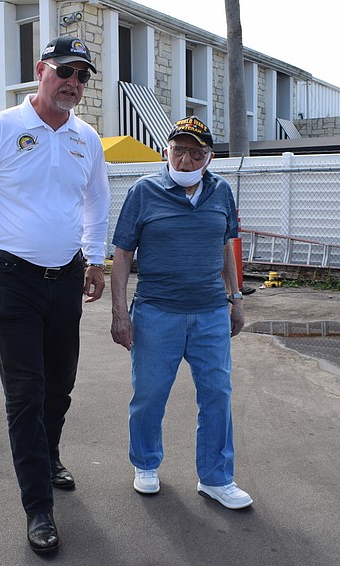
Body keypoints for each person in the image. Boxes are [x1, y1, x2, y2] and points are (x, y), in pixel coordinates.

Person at [0, 34, 110, 554]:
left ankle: (50, 452)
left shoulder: (88, 138)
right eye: (65, 71)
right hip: (11, 276)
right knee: (25, 391)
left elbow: (97, 204)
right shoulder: (0, 128)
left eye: (83, 76)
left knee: (60, 383)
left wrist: (95, 257)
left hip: (65, 277)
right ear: (40, 70)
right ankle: (37, 505)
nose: (74, 83)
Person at [109, 116, 253, 510]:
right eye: (179, 150)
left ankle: (216, 478)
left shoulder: (222, 192)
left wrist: (235, 297)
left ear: (208, 158)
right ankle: (146, 464)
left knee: (217, 396)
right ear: (166, 152)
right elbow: (122, 254)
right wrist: (120, 312)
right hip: (157, 312)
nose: (186, 160)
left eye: (196, 152)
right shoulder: (144, 191)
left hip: (210, 313)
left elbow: (226, 247)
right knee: (150, 394)